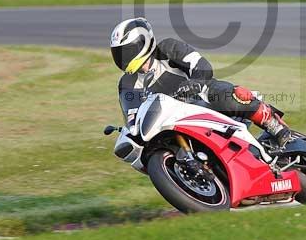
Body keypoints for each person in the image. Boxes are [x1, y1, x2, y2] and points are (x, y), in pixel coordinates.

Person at [109, 17, 291, 147]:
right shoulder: (127, 83)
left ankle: (273, 125)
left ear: (143, 43)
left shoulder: (167, 48)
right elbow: (132, 114)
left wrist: (195, 82)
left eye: (128, 50)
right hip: (170, 122)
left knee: (223, 93)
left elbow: (201, 65)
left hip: (199, 99)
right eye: (119, 53)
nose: (124, 58)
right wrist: (132, 130)